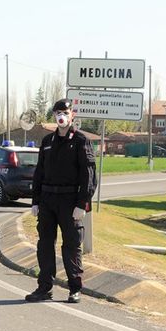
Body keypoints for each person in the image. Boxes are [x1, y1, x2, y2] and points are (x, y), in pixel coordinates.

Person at [25, 99, 97, 303]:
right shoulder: (48, 142)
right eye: (57, 113)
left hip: (70, 201)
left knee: (72, 245)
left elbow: (89, 175)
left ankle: (75, 288)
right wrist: (35, 201)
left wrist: (82, 204)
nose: (61, 116)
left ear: (72, 114)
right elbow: (39, 173)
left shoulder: (81, 141)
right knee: (45, 244)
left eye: (64, 112)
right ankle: (44, 287)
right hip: (48, 200)